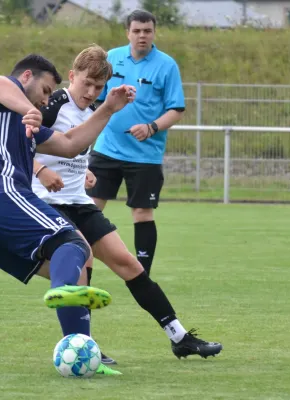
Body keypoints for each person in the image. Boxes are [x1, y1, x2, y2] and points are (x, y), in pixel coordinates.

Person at [33, 45, 222, 368]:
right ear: (72, 76)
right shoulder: (54, 103)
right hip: (49, 203)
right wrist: (40, 169)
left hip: (79, 200)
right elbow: (18, 143)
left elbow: (72, 148)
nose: (91, 92)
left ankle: (179, 337)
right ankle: (84, 343)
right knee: (82, 261)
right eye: (86, 84)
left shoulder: (93, 109)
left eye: (98, 88)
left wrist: (83, 170)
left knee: (129, 265)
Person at [0, 53, 136, 373]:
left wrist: (107, 109)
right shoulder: (6, 95)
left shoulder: (29, 121)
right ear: (27, 77)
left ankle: (81, 350)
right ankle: (67, 292)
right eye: (44, 90)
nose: (46, 99)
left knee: (75, 264)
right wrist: (30, 109)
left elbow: (69, 145)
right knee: (76, 243)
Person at [87, 10, 185, 276]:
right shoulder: (112, 58)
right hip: (106, 150)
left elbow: (176, 109)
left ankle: (143, 275)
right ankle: (82, 267)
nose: (142, 36)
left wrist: (151, 127)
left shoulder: (167, 65)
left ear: (154, 32)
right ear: (127, 32)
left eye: (147, 31)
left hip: (145, 157)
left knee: (142, 213)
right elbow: (95, 98)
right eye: (137, 31)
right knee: (87, 209)